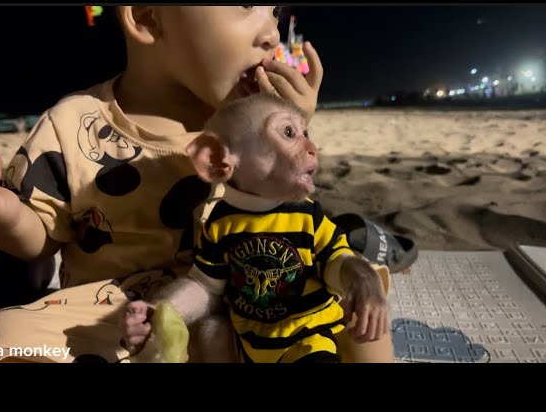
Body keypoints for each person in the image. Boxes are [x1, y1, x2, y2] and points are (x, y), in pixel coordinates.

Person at [0, 6, 393, 363]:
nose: (272, 35)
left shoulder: (246, 127)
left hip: (251, 301)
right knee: (2, 339)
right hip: (116, 313)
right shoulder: (74, 121)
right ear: (148, 18)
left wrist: (289, 127)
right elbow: (40, 237)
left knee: (361, 290)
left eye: (275, 11)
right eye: (246, 6)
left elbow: (286, 207)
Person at [123, 94, 390, 363]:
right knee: (210, 330)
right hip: (249, 343)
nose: (312, 146)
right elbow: (204, 286)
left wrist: (364, 280)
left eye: (305, 132)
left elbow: (338, 262)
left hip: (307, 338)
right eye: (289, 132)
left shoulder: (308, 216)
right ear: (217, 159)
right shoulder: (220, 224)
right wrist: (161, 311)